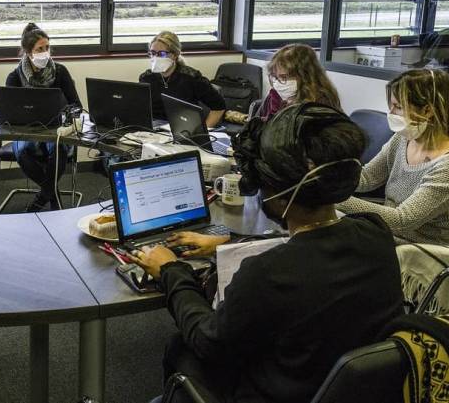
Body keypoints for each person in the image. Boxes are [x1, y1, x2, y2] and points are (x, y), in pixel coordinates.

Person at [130, 103, 404, 403]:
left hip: (276, 392)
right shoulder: (375, 233)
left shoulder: (266, 273)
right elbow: (307, 251)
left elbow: (208, 340)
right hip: (347, 388)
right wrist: (230, 242)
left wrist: (172, 271)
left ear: (276, 193)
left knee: (181, 346)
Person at [338, 69, 449, 246]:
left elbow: (403, 220)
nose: (391, 112)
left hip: (425, 251)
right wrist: (323, 177)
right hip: (389, 236)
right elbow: (366, 179)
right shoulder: (403, 139)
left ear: (427, 110)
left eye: (398, 107)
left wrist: (333, 197)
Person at [5, 23, 81, 211]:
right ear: (28, 52)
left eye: (47, 48)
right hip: (26, 130)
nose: (45, 53)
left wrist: (69, 115)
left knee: (58, 148)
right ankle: (51, 193)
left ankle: (42, 197)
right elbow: (9, 113)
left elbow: (76, 105)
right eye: (40, 49)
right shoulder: (14, 77)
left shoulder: (60, 71)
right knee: (22, 152)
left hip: (55, 128)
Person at [139, 31, 225, 127]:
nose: (156, 57)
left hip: (184, 127)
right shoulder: (146, 78)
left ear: (175, 54)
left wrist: (204, 132)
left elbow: (219, 107)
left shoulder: (192, 78)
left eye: (162, 54)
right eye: (153, 53)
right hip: (155, 128)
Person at [258, 43, 341, 119]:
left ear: (305, 76)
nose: (277, 84)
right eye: (275, 77)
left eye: (284, 77)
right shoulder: (274, 97)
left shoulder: (320, 106)